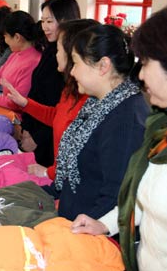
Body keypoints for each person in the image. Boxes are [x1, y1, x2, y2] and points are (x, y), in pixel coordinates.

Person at [70, 7, 167, 271]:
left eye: (147, 63)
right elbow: (140, 197)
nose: (141, 75)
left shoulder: (129, 117)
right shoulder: (161, 128)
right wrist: (105, 224)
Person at [42, 24, 149, 222]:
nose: (72, 72)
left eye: (75, 63)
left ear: (103, 66)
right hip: (72, 217)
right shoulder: (99, 103)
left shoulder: (125, 119)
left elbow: (114, 198)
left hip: (89, 233)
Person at [2, 18, 99, 179]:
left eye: (59, 50)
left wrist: (49, 172)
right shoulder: (71, 88)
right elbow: (58, 116)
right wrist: (25, 103)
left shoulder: (90, 99)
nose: (56, 54)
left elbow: (84, 165)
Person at [20, 0, 81, 167]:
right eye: (43, 21)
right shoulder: (50, 50)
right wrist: (26, 127)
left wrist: (37, 137)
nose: (45, 27)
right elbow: (38, 93)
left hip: (47, 140)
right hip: (35, 128)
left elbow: (59, 110)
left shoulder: (68, 61)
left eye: (50, 21)